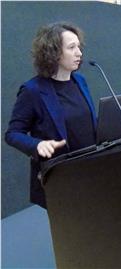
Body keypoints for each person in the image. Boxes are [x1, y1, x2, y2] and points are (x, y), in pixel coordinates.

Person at [5, 22, 97, 209]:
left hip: (90, 172)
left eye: (79, 46)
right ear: (53, 53)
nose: (79, 53)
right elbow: (12, 134)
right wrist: (37, 144)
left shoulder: (80, 81)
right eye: (72, 47)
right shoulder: (33, 91)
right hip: (60, 179)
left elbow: (87, 123)